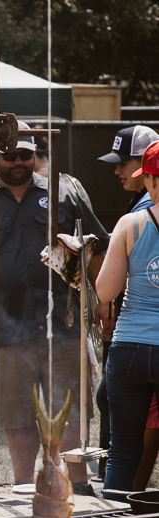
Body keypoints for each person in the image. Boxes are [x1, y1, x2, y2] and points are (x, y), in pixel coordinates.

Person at [0, 123, 110, 493]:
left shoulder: (65, 191)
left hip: (63, 325)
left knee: (71, 409)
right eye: (10, 155)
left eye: (25, 155)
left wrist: (102, 299)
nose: (18, 162)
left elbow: (95, 248)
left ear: (35, 153)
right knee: (16, 413)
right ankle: (24, 485)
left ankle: (78, 486)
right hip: (7, 330)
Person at [94, 125, 159, 486]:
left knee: (122, 454)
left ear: (149, 180)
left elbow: (105, 293)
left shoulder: (129, 223)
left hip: (130, 347)